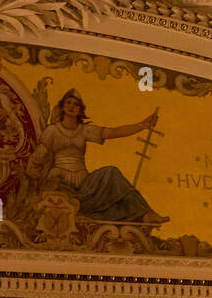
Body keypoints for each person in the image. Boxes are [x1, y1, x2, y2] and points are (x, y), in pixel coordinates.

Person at [27, 89, 167, 223]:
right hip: (60, 182)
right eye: (68, 102)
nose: (71, 106)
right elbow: (39, 155)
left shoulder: (85, 130)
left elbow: (113, 132)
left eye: (76, 104)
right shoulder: (52, 130)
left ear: (80, 110)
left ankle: (146, 214)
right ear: (63, 106)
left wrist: (142, 125)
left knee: (112, 172)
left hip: (83, 182)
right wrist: (33, 170)